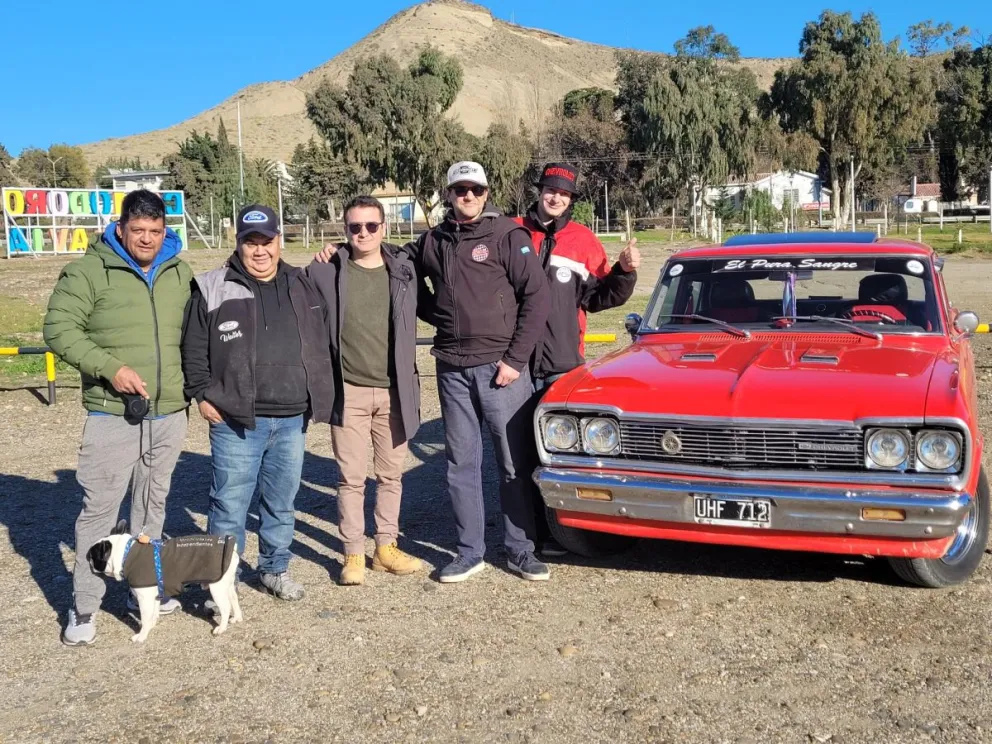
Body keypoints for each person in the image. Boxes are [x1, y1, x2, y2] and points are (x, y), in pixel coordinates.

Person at [44, 189, 193, 646]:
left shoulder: (178, 271)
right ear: (121, 226)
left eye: (155, 231)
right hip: (113, 413)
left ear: (165, 230)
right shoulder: (89, 270)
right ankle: (84, 607)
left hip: (168, 411)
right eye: (138, 230)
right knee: (100, 511)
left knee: (152, 505)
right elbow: (58, 328)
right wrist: (111, 369)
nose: (146, 239)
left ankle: (140, 591)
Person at [181, 204, 334, 602]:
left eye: (267, 241)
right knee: (230, 503)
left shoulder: (303, 283)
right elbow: (193, 346)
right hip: (236, 419)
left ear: (279, 240)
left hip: (291, 419)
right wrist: (201, 394)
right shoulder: (213, 285)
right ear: (239, 244)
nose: (260, 250)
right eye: (251, 242)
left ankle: (274, 568)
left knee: (281, 502)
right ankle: (221, 580)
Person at [414, 162, 551, 582]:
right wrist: (435, 314)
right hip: (452, 368)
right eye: (459, 190)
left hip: (501, 370)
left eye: (475, 189)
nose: (467, 196)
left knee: (513, 462)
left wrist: (514, 360)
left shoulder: (508, 235)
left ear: (486, 193)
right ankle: (468, 551)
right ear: (449, 194)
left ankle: (520, 550)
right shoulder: (433, 241)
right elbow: (402, 272)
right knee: (460, 463)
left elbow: (537, 298)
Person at [514, 163, 641, 555]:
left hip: (561, 363)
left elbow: (601, 297)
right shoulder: (512, 230)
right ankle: (524, 534)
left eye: (564, 194)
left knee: (557, 452)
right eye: (550, 190)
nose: (556, 198)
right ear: (539, 191)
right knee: (516, 453)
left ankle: (558, 531)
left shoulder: (583, 240)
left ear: (571, 199)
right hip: (513, 363)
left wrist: (624, 271)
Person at [307, 196, 422, 586]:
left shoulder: (404, 269)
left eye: (371, 226)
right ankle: (353, 552)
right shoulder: (324, 271)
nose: (363, 234)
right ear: (344, 230)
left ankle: (385, 548)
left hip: (394, 392)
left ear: (384, 228)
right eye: (355, 227)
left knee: (391, 476)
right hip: (349, 392)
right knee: (350, 478)